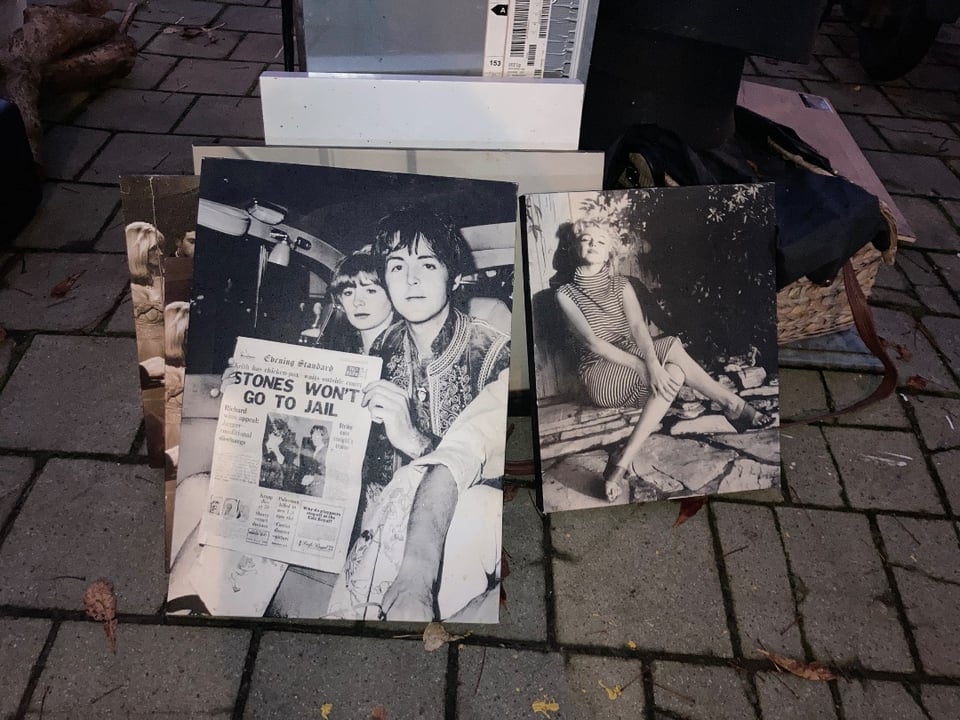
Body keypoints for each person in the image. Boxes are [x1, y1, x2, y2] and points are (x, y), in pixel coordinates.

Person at [327, 206, 510, 622]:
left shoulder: (496, 354)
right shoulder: (384, 348)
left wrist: (416, 441)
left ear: (453, 276)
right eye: (396, 266)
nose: (410, 279)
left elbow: (499, 478)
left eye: (427, 264)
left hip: (462, 520)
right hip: (381, 516)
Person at [553, 219, 775, 503]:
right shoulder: (565, 294)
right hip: (600, 373)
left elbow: (638, 329)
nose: (593, 244)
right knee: (670, 349)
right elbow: (594, 344)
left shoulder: (621, 285)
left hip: (633, 362)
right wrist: (645, 367)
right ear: (575, 246)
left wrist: (653, 365)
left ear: (609, 251)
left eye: (601, 240)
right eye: (586, 239)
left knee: (674, 373)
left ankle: (623, 457)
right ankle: (732, 405)